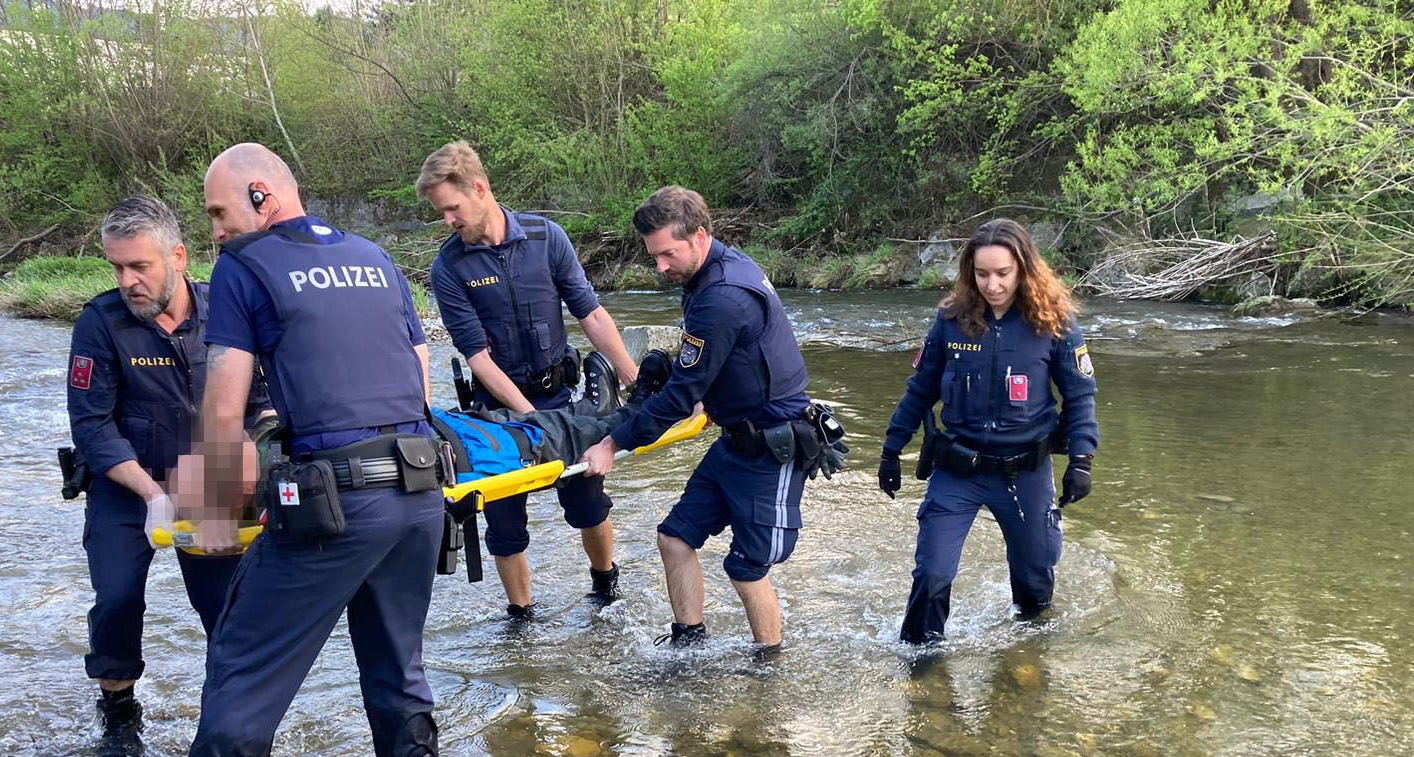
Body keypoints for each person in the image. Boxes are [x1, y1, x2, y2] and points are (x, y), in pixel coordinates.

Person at [173, 142, 446, 757]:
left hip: (337, 500)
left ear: (262, 195)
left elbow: (225, 408)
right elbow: (418, 374)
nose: (216, 232)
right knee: (396, 654)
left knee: (244, 655)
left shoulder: (244, 266)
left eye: (219, 212)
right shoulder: (375, 256)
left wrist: (212, 517)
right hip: (420, 490)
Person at [65, 195, 264, 757]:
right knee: (118, 599)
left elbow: (263, 404)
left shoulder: (225, 313)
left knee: (226, 613)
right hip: (129, 487)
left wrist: (241, 473)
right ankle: (120, 715)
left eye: (140, 267)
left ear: (177, 256)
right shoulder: (99, 324)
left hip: (213, 482)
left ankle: (224, 728)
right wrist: (152, 495)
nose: (128, 281)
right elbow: (93, 429)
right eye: (117, 268)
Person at [579, 186, 822, 655]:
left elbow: (679, 396)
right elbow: (730, 362)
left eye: (667, 254)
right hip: (734, 438)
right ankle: (689, 644)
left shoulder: (721, 297)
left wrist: (611, 445)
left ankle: (769, 666)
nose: (660, 267)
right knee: (674, 538)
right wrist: (703, 394)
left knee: (746, 569)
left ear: (699, 236)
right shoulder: (714, 272)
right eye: (654, 256)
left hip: (773, 446)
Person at [418, 141, 640, 619]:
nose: (447, 221)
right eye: (441, 213)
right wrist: (528, 420)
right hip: (496, 411)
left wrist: (631, 374)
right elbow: (477, 356)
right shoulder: (448, 267)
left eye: (451, 208)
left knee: (589, 501)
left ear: (479, 189)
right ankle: (521, 616)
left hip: (563, 396)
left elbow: (591, 314)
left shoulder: (546, 236)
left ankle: (605, 585)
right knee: (503, 522)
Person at [877, 217, 1099, 645]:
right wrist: (891, 450)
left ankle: (1026, 668)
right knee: (932, 575)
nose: (992, 284)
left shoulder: (1054, 322)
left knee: (1035, 591)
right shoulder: (950, 320)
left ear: (1023, 269)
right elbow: (919, 390)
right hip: (958, 470)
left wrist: (1081, 460)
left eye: (1003, 274)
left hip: (1024, 474)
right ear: (969, 272)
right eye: (982, 274)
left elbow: (1080, 396)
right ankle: (922, 671)